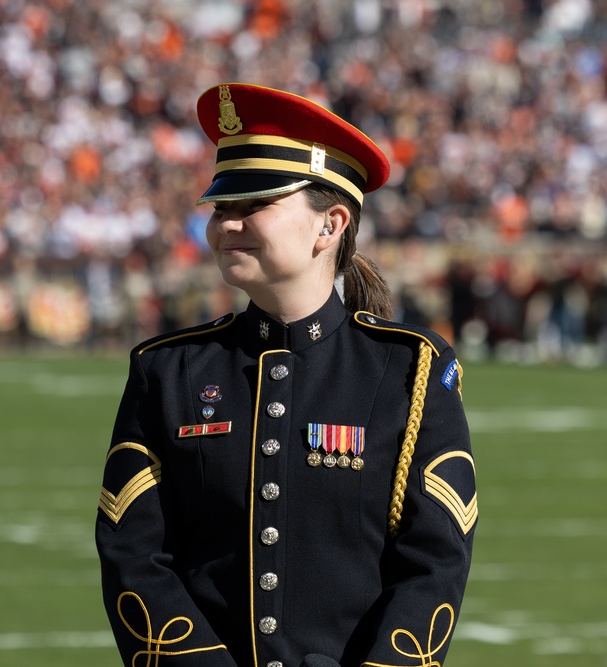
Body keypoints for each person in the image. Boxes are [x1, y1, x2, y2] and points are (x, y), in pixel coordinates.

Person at [95, 83, 477, 667]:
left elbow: (434, 565)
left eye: (255, 206)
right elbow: (135, 556)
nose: (227, 225)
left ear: (331, 225)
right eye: (222, 207)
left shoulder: (410, 371)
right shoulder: (166, 371)